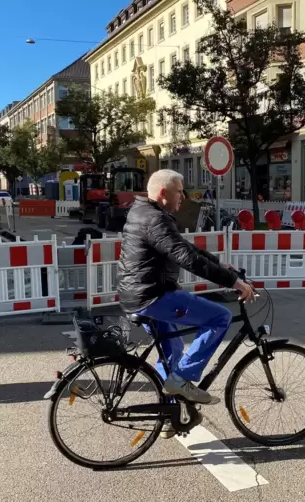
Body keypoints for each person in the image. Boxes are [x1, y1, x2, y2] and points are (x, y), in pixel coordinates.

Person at [117, 170, 255, 433]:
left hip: (137, 294)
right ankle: (182, 380)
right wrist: (234, 283)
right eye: (179, 190)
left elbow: (183, 246)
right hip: (152, 296)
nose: (184, 196)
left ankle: (170, 412)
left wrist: (218, 264)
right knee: (220, 317)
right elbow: (186, 258)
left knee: (172, 351)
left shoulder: (144, 213)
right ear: (162, 193)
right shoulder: (155, 219)